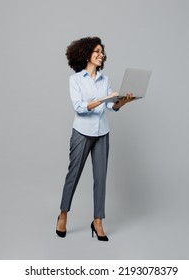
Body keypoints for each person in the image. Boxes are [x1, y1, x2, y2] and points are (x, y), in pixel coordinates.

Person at [56, 37, 133, 241]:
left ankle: (98, 220)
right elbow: (80, 107)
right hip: (81, 132)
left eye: (102, 52)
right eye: (97, 51)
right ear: (86, 54)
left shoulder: (104, 80)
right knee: (73, 175)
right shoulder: (75, 80)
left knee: (100, 179)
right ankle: (63, 213)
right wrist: (102, 99)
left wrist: (122, 102)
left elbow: (110, 107)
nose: (101, 55)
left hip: (102, 133)